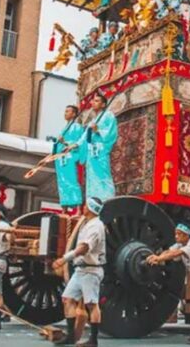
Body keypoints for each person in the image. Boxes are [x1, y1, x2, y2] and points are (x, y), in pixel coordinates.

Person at [52, 197, 107, 347]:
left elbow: (84, 248)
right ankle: (71, 337)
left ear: (90, 207)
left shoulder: (96, 226)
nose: (83, 207)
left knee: (91, 304)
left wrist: (64, 259)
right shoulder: (87, 224)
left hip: (91, 270)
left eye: (86, 205)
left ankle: (93, 340)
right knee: (68, 299)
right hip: (80, 269)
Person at [70, 92, 118, 202]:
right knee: (92, 177)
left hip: (100, 150)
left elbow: (112, 133)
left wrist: (98, 130)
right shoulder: (93, 120)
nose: (93, 103)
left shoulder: (109, 115)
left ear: (103, 104)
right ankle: (93, 200)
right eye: (93, 101)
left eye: (97, 101)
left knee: (102, 174)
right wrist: (76, 144)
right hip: (91, 152)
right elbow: (84, 137)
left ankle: (106, 199)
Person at [54, 105, 85, 212]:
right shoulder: (64, 129)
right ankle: (64, 208)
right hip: (61, 159)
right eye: (65, 111)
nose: (65, 113)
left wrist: (64, 142)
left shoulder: (77, 127)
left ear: (74, 114)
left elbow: (79, 143)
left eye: (68, 111)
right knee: (62, 183)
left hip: (70, 157)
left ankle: (78, 208)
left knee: (72, 181)